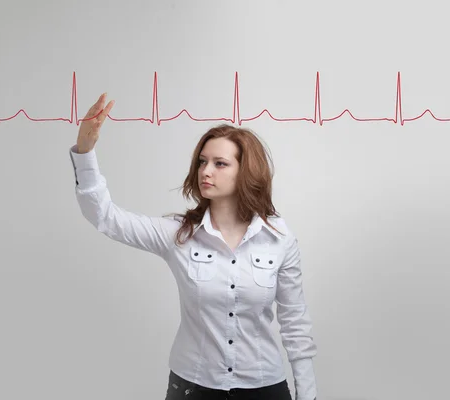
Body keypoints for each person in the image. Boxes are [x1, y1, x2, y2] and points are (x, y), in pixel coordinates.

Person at [68, 93, 318, 400]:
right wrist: (85, 153)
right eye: (202, 162)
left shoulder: (279, 238)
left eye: (220, 163)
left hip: (264, 387)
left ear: (246, 171)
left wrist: (308, 395)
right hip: (193, 387)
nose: (205, 171)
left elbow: (295, 325)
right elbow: (105, 217)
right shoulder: (178, 235)